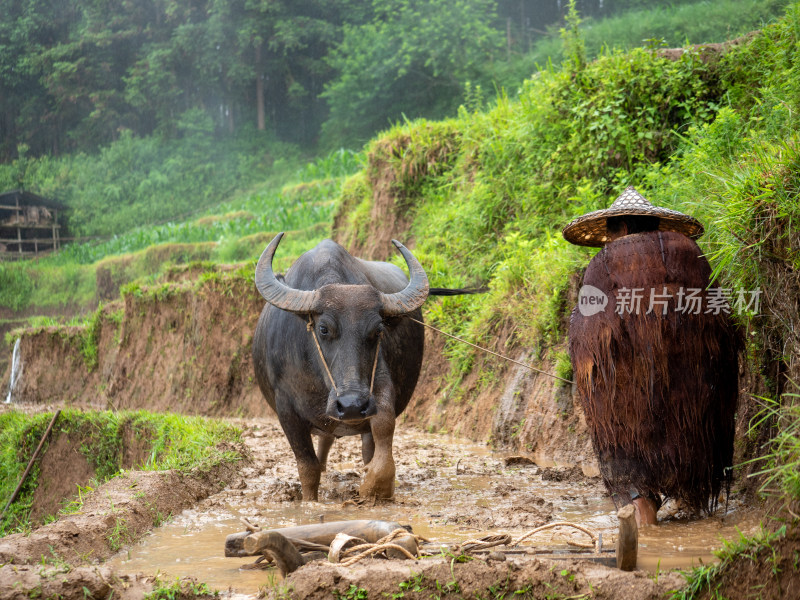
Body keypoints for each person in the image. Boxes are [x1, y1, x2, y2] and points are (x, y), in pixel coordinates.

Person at [562, 187, 741, 526]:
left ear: (622, 228)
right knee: (687, 435)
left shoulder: (605, 262)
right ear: (654, 223)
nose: (610, 239)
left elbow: (589, 331)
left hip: (631, 391)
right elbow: (721, 318)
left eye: (612, 232)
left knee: (625, 456)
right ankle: (691, 507)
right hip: (694, 387)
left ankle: (645, 522)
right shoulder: (691, 253)